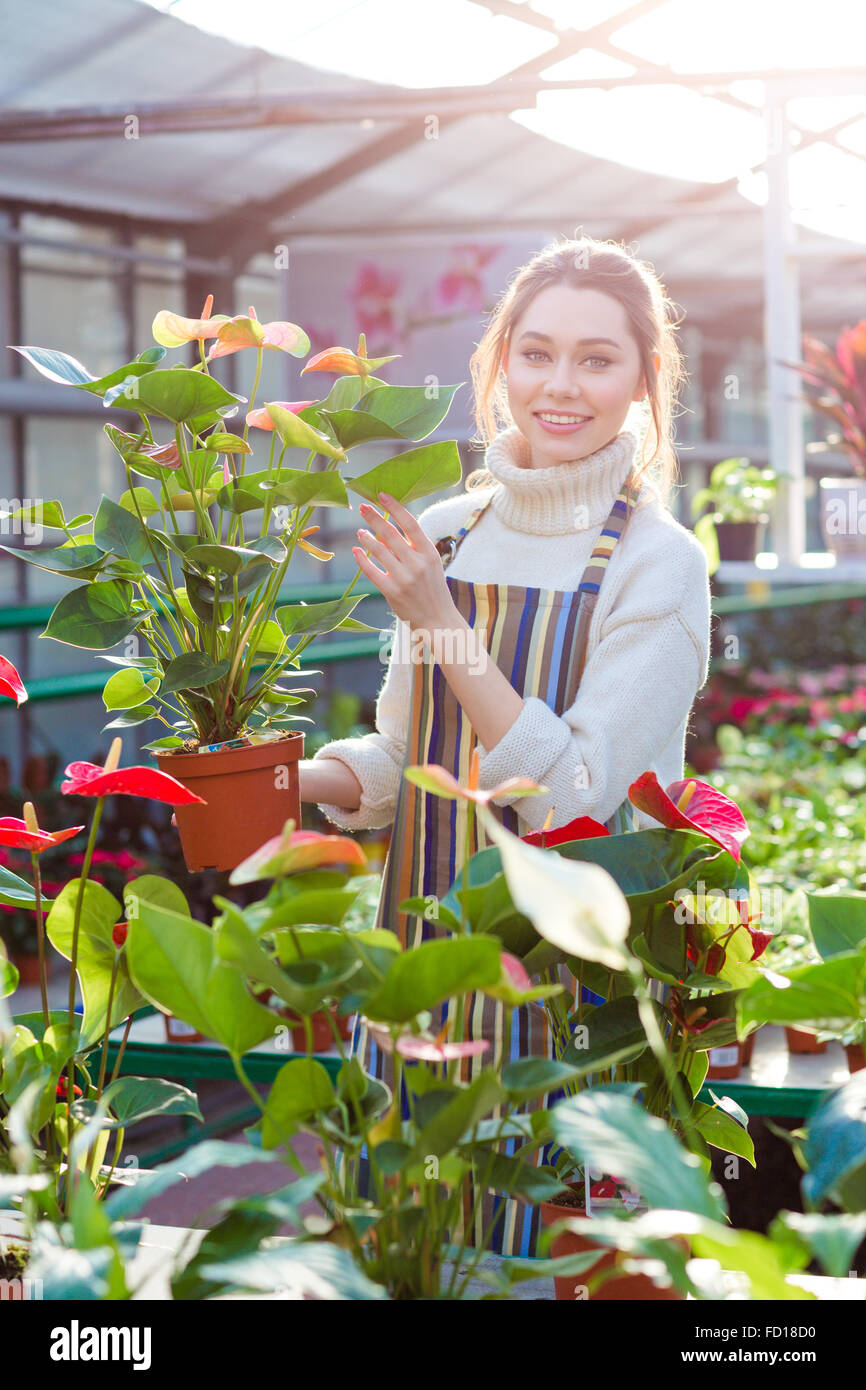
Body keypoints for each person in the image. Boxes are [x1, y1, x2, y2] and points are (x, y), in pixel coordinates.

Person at [298, 234, 712, 1256]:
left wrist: (440, 619)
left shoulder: (659, 566)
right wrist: (279, 778)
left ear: (642, 380)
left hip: (567, 995)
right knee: (402, 1254)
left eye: (594, 358)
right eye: (534, 352)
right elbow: (403, 759)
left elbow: (564, 792)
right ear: (499, 360)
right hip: (418, 970)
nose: (557, 385)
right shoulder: (445, 529)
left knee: (532, 1266)